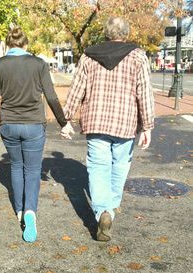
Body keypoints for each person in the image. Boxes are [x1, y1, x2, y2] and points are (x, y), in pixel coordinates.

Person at [61, 17, 154, 241]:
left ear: (106, 33)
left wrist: (66, 118)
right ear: (126, 33)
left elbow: (77, 89)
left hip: (96, 121)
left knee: (98, 167)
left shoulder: (88, 56)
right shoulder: (138, 56)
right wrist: (148, 125)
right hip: (125, 123)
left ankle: (103, 210)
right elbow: (145, 92)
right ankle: (110, 209)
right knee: (120, 166)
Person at [0, 26, 73, 243]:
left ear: (9, 44)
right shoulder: (38, 64)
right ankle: (30, 211)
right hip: (33, 125)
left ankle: (19, 211)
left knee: (16, 166)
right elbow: (51, 96)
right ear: (26, 44)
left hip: (9, 124)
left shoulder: (0, 65)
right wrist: (63, 123)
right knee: (32, 169)